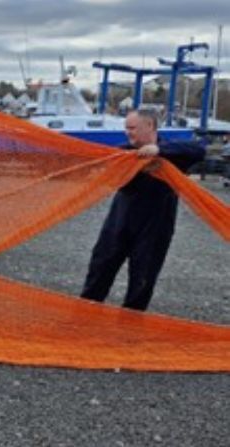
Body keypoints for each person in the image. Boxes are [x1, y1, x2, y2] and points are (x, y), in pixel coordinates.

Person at [80, 108, 205, 311]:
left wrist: (158, 150)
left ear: (150, 126)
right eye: (126, 128)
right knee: (100, 268)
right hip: (120, 220)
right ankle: (85, 317)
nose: (128, 133)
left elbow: (199, 150)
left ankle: (129, 328)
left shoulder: (173, 153)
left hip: (155, 224)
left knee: (142, 278)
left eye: (133, 128)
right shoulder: (124, 152)